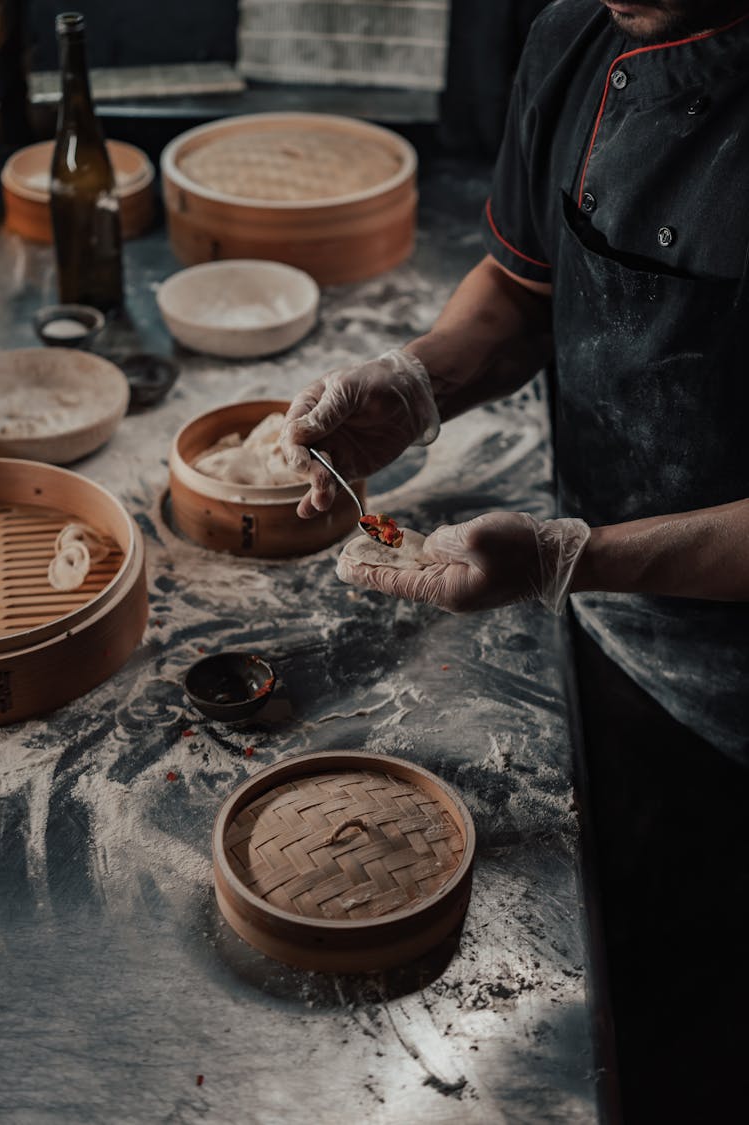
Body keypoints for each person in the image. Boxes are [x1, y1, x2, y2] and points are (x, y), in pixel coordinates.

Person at [280, 1, 749, 1121]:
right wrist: (414, 384)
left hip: (733, 699)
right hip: (608, 637)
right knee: (639, 979)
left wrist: (563, 557)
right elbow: (523, 290)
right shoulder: (577, 38)